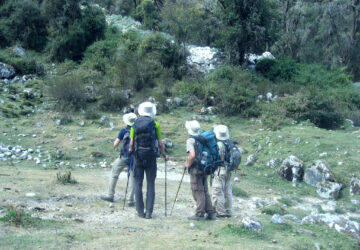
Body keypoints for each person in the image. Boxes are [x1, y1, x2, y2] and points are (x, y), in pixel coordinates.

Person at [129, 102, 169, 219]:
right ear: (151, 112)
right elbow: (160, 143)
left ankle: (140, 211)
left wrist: (131, 152)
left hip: (138, 156)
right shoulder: (155, 124)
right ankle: (149, 212)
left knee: (138, 183)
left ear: (141, 112)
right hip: (151, 155)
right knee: (150, 184)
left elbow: (131, 143)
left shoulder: (134, 124)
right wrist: (164, 154)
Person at [101, 113, 137, 205]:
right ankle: (130, 200)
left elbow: (115, 144)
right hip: (134, 157)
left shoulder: (123, 131)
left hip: (123, 156)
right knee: (132, 177)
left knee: (114, 174)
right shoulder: (137, 130)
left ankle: (110, 195)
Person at [184, 120, 216, 221]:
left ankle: (199, 213)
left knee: (197, 190)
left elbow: (192, 155)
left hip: (196, 169)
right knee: (205, 190)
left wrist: (188, 164)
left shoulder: (191, 141)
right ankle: (210, 212)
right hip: (205, 167)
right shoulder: (202, 138)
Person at [212, 125, 232, 218]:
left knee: (218, 190)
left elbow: (219, 158)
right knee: (227, 191)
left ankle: (220, 212)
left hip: (220, 169)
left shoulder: (219, 145)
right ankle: (228, 211)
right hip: (229, 169)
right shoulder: (229, 143)